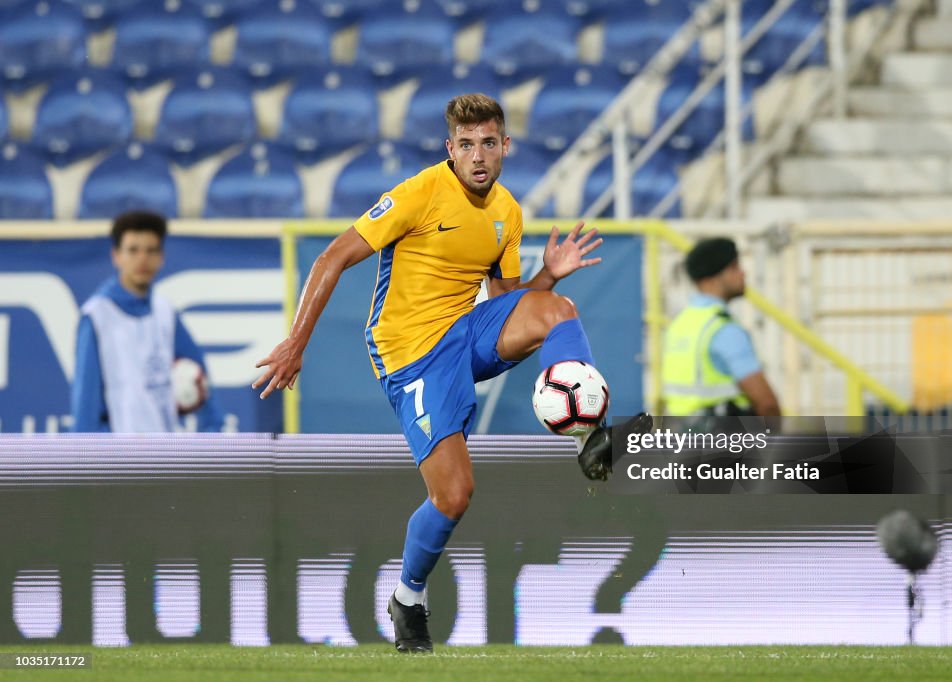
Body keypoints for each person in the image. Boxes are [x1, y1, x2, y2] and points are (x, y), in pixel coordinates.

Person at [252, 93, 644, 653]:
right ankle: (408, 598)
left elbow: (508, 303)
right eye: (466, 145)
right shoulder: (418, 193)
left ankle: (589, 433)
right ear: (450, 149)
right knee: (454, 495)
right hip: (412, 353)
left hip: (467, 332)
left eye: (489, 143)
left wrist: (547, 277)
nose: (478, 155)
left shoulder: (507, 210)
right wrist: (296, 343)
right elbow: (331, 257)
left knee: (557, 311)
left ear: (505, 145)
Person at [71, 211, 225, 432]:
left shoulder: (166, 313)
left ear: (161, 257)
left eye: (151, 250)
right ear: (116, 255)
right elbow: (85, 402)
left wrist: (213, 431)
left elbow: (201, 376)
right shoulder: (96, 316)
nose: (142, 259)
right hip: (116, 459)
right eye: (133, 250)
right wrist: (85, 459)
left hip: (164, 456)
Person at [662, 237, 781, 417]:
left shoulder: (679, 324)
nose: (743, 273)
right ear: (711, 278)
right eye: (734, 267)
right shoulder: (723, 329)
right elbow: (767, 404)